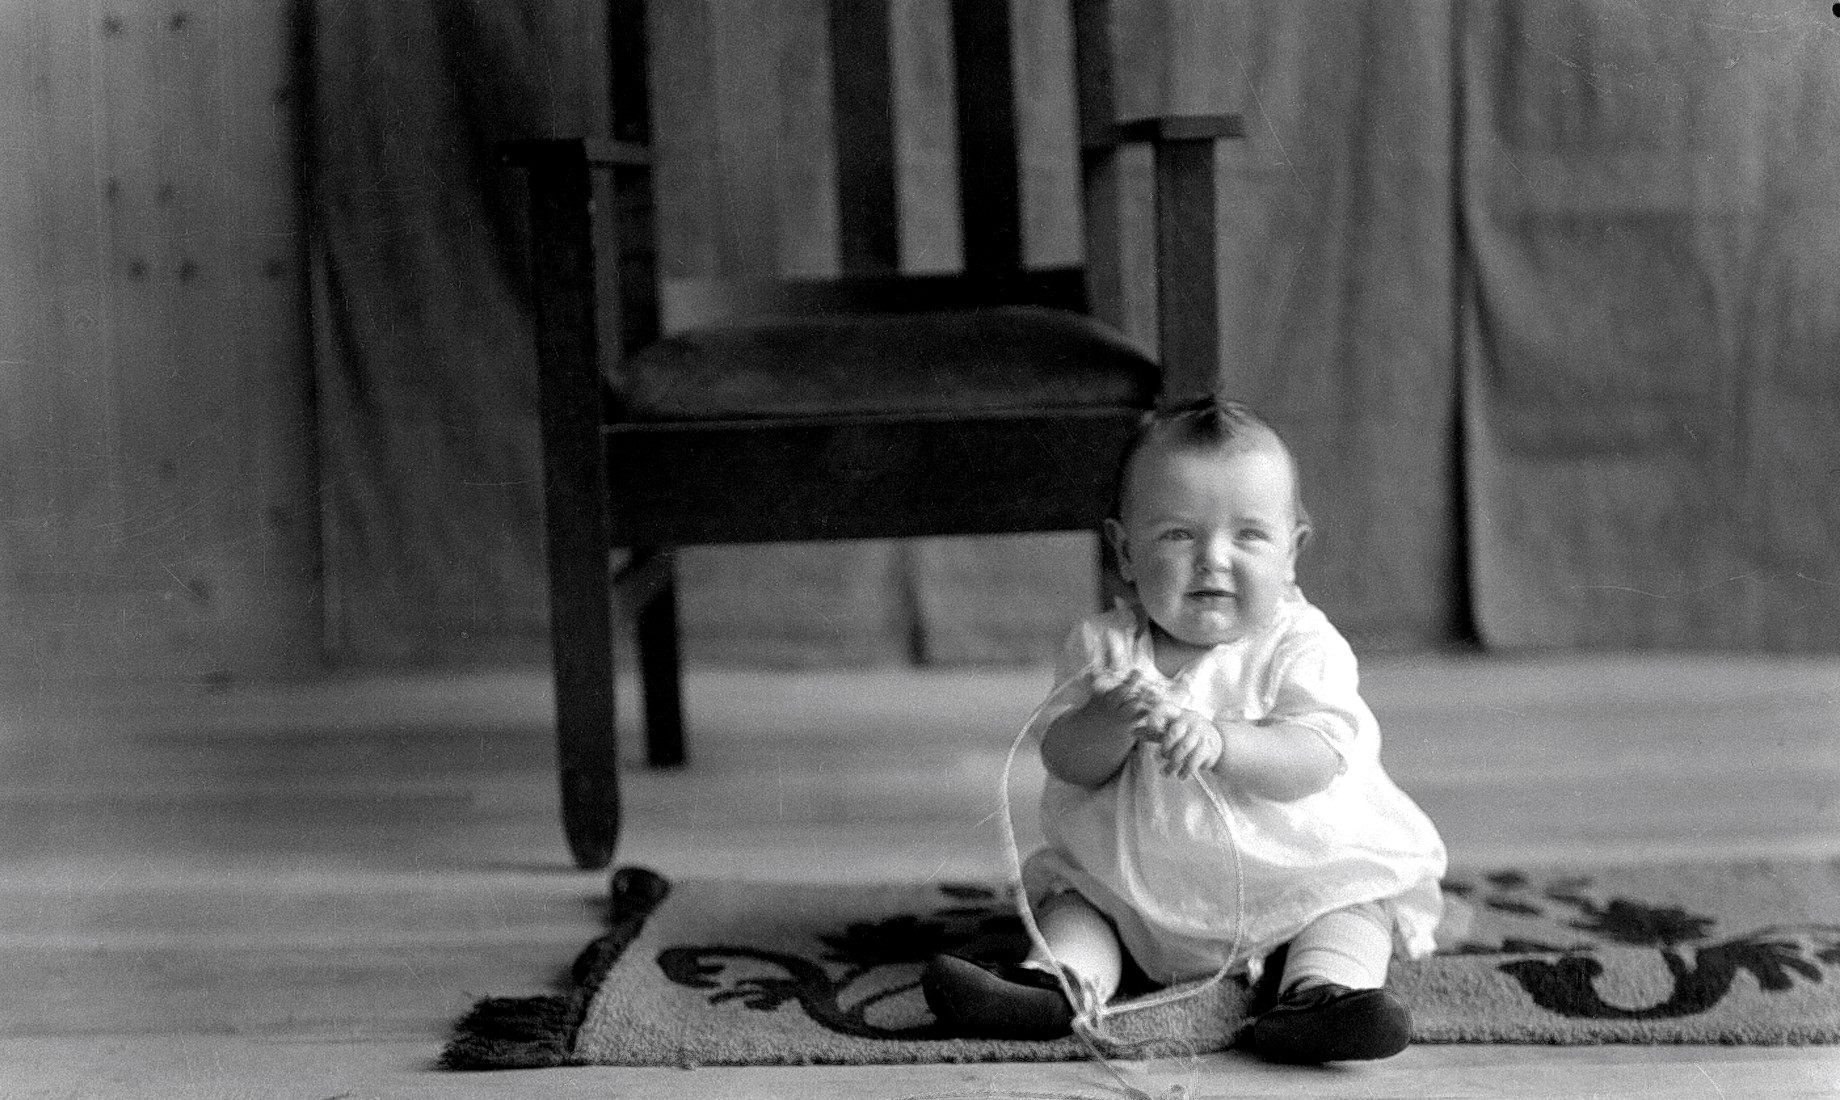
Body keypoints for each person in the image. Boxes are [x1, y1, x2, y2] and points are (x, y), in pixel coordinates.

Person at [921, 396, 1447, 1063]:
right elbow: (1067, 759)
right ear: (1125, 551)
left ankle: (1324, 998)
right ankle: (1052, 987)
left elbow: (1314, 758)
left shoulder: (1302, 645)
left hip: (1293, 878)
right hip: (1131, 891)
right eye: (1177, 535)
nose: (1213, 559)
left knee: (1350, 909)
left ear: (1292, 552)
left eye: (1249, 535)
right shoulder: (1107, 649)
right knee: (1077, 904)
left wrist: (1224, 740)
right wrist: (1109, 718)